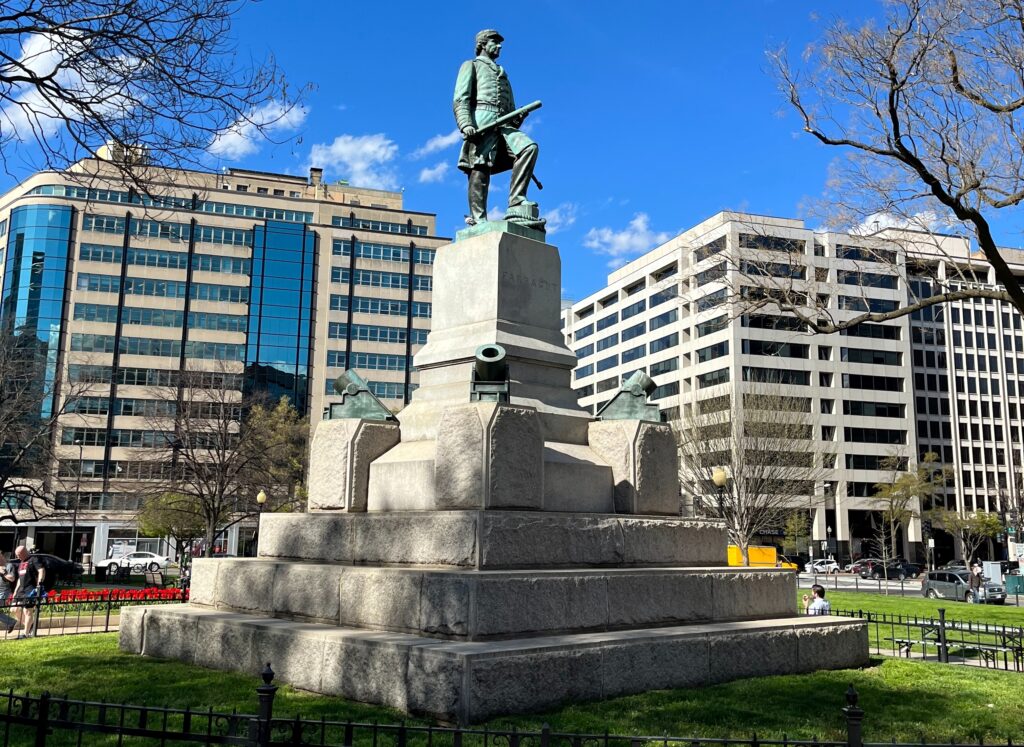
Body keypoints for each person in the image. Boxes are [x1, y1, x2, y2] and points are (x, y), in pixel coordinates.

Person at [453, 29, 542, 228]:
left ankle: (517, 199)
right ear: (483, 44)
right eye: (495, 42)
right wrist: (466, 123)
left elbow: (509, 111)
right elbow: (461, 98)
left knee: (528, 148)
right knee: (480, 168)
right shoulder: (471, 66)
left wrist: (518, 117)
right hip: (482, 121)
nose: (499, 46)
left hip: (504, 125)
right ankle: (478, 217)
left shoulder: (503, 74)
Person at [10, 545, 46, 638]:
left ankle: (25, 633)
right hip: (20, 590)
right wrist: (15, 591)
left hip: (30, 589)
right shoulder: (21, 563)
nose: (17, 556)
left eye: (19, 554)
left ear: (24, 552)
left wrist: (39, 584)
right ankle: (31, 625)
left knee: (27, 611)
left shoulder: (34, 559)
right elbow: (19, 579)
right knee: (14, 609)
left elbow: (41, 570)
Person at [0, 551, 18, 634]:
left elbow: (12, 578)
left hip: (4, 592)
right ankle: (10, 622)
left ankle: (10, 622)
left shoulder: (9, 566)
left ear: (2, 556)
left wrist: (3, 572)